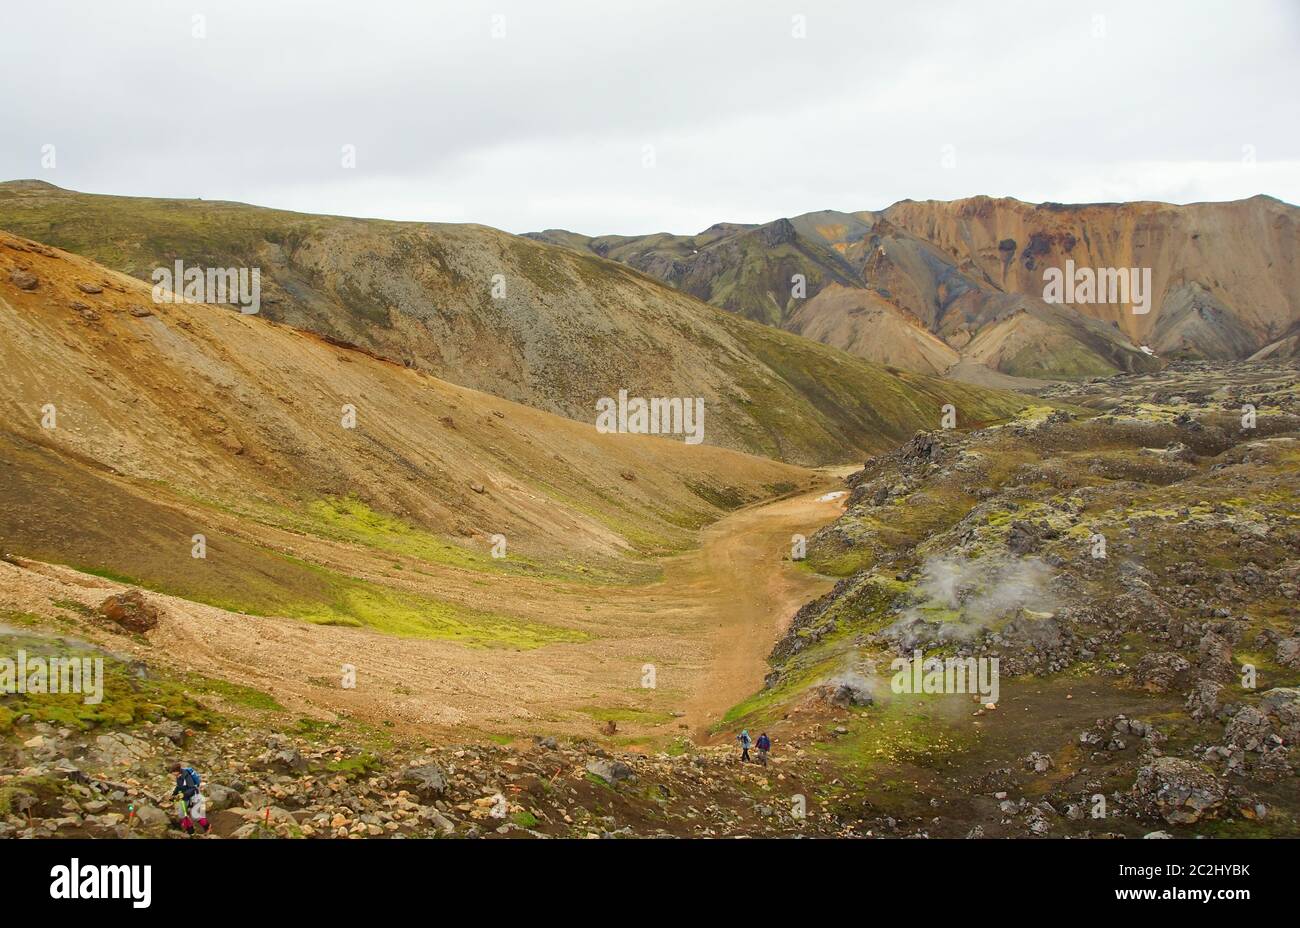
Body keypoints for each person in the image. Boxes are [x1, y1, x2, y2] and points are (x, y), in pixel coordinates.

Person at [170, 762, 210, 835]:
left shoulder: (186, 776)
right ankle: (191, 831)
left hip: (194, 796)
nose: (172, 774)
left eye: (173, 772)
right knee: (182, 814)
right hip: (185, 798)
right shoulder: (178, 777)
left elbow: (192, 788)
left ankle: (207, 827)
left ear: (177, 771)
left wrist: (183, 794)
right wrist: (173, 794)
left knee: (194, 815)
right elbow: (179, 787)